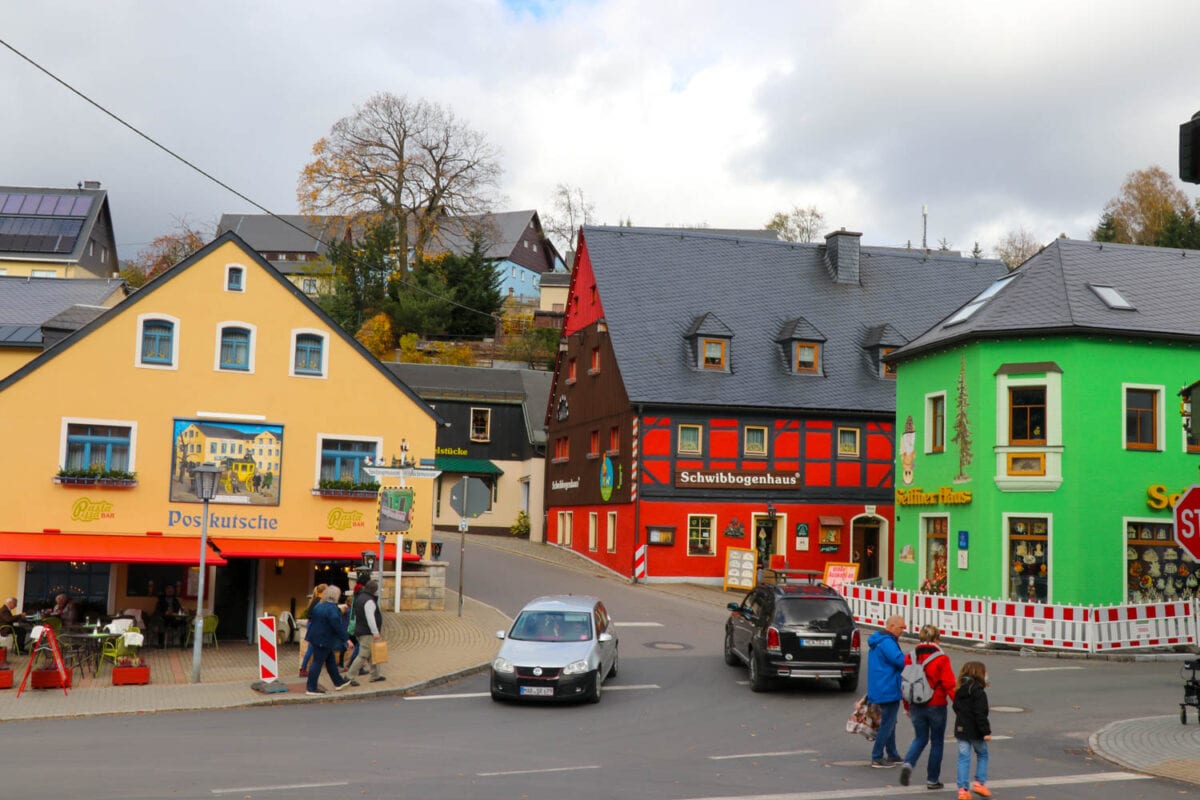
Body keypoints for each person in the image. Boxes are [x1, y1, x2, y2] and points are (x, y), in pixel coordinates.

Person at [899, 625, 956, 790]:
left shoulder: (910, 657)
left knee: (920, 738)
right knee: (937, 741)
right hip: (936, 704)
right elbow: (949, 685)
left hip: (916, 703)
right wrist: (959, 705)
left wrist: (907, 706)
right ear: (937, 639)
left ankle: (908, 763)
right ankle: (932, 780)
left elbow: (906, 682)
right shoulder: (941, 658)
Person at [866, 614, 906, 768]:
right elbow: (900, 661)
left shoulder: (879, 640)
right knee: (888, 723)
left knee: (890, 722)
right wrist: (912, 658)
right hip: (887, 686)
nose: (903, 630)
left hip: (879, 686)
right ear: (891, 627)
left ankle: (892, 754)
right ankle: (877, 756)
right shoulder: (887, 642)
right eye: (900, 627)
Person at [303, 585, 353, 696]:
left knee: (330, 661)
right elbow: (337, 626)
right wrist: (347, 639)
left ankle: (338, 682)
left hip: (316, 638)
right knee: (317, 663)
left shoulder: (318, 606)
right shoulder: (332, 609)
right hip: (324, 639)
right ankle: (311, 687)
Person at [952, 661, 992, 800]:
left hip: (961, 729)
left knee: (963, 758)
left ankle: (963, 790)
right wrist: (986, 732)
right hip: (975, 731)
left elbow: (955, 708)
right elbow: (981, 713)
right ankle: (979, 783)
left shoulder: (959, 689)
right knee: (982, 754)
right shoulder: (978, 692)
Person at [346, 579, 386, 685]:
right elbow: (370, 618)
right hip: (367, 632)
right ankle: (349, 676)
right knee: (363, 655)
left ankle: (375, 675)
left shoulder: (360, 598)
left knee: (372, 654)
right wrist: (375, 632)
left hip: (360, 630)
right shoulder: (369, 601)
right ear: (374, 591)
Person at [298, 584, 326, 677]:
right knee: (311, 648)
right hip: (315, 626)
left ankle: (306, 668)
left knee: (312, 648)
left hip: (312, 625)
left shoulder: (314, 600)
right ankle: (304, 668)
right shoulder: (319, 602)